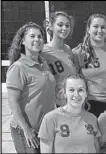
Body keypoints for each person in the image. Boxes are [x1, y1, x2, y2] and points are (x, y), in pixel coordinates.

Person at [6, 22, 56, 153]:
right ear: (22, 41)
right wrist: (26, 130)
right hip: (26, 131)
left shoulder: (43, 63)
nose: (37, 40)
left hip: (44, 130)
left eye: (40, 37)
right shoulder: (19, 67)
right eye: (32, 36)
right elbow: (12, 102)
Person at [72, 14, 106, 117]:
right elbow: (73, 81)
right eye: (95, 26)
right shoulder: (78, 52)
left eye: (103, 27)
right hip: (89, 104)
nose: (99, 30)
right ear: (88, 29)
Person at [38, 74, 100, 153]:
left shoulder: (92, 118)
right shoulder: (51, 118)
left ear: (86, 93)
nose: (76, 95)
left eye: (80, 90)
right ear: (64, 93)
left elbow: (96, 149)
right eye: (71, 90)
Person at [41, 11, 80, 107]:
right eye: (60, 25)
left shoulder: (68, 49)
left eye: (67, 25)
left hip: (71, 102)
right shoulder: (43, 52)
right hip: (55, 105)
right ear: (50, 26)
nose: (64, 28)